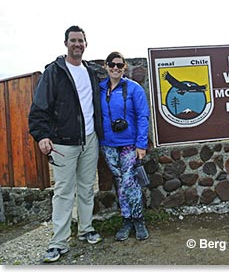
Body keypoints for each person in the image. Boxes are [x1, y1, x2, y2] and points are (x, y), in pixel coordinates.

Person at [28, 25, 104, 263]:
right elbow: (39, 106)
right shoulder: (54, 72)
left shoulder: (90, 71)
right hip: (63, 143)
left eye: (81, 40)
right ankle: (58, 242)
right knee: (62, 192)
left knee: (86, 188)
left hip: (89, 139)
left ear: (86, 44)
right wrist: (41, 135)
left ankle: (86, 229)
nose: (77, 44)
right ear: (66, 44)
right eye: (73, 40)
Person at [99, 51, 150, 241]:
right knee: (120, 182)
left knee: (129, 181)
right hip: (108, 144)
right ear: (105, 65)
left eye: (119, 65)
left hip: (129, 144)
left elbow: (143, 116)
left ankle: (138, 219)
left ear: (124, 68)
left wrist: (141, 144)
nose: (115, 68)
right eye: (112, 64)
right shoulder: (100, 89)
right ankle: (126, 219)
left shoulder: (134, 88)